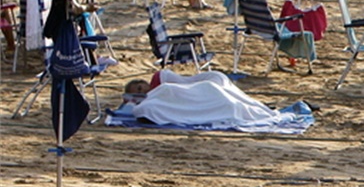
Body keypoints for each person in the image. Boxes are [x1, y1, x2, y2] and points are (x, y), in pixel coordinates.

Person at [118, 71, 307, 128]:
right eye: (139, 92)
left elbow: (176, 90)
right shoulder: (151, 99)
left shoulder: (160, 81)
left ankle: (259, 110)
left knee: (231, 103)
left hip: (204, 89)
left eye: (141, 88)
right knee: (230, 105)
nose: (144, 92)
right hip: (201, 92)